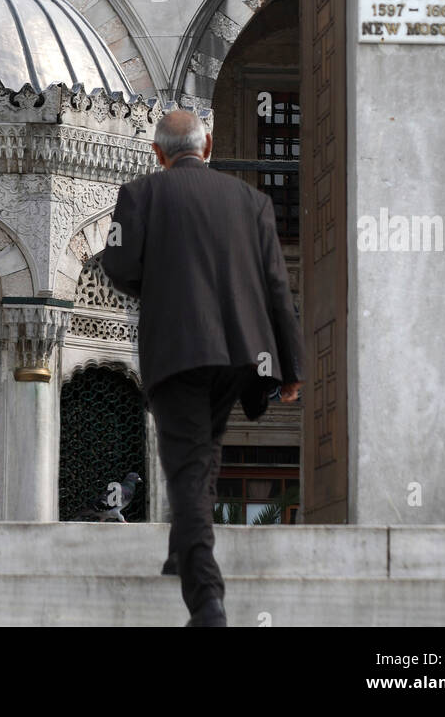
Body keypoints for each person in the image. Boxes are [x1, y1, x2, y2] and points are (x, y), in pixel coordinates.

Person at [102, 108, 304, 628]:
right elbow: (277, 287)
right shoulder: (252, 201)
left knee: (189, 462)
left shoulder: (140, 195)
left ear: (157, 153)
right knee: (205, 452)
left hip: (179, 349)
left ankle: (206, 598)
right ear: (208, 144)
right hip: (242, 354)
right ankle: (180, 549)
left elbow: (119, 267)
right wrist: (292, 366)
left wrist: (159, 277)